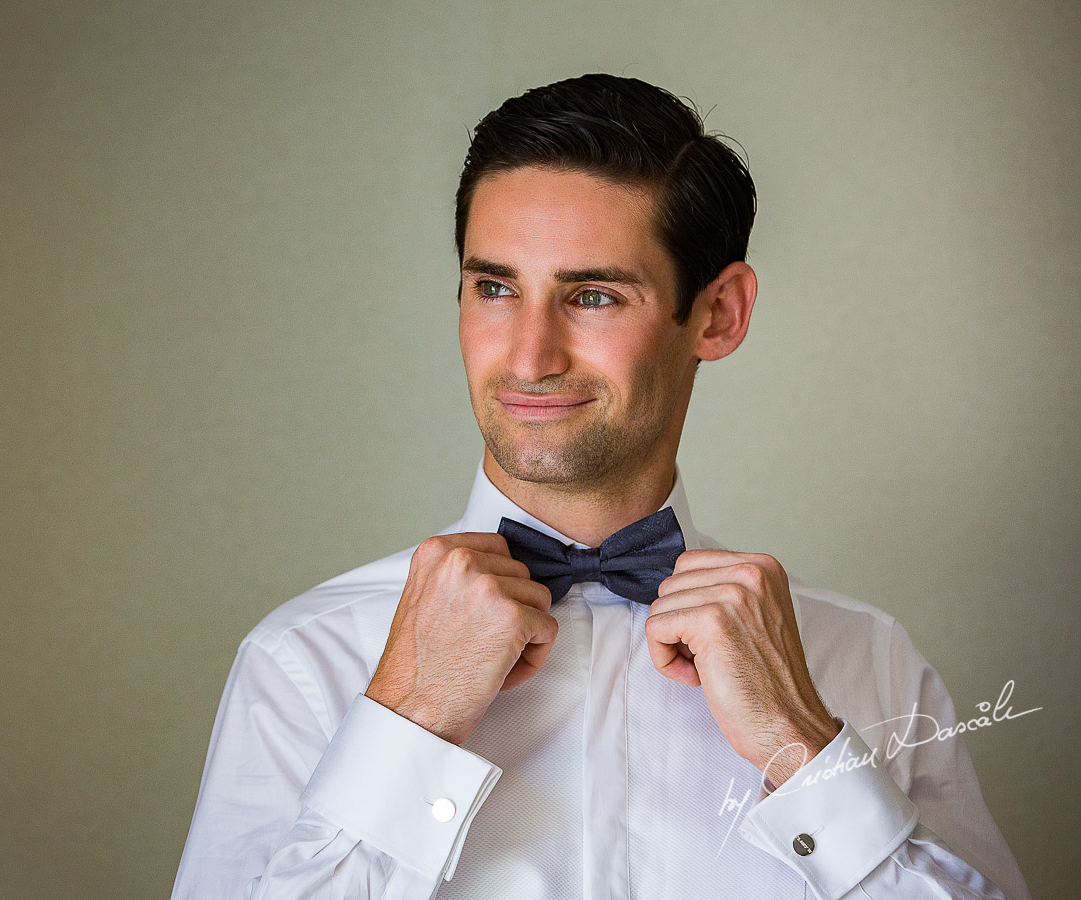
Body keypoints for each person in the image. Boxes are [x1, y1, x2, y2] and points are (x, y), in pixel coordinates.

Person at [170, 74, 1031, 899]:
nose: (529, 357)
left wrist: (804, 750)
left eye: (592, 296)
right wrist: (409, 720)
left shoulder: (866, 664)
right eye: (495, 287)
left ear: (718, 314)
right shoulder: (303, 663)